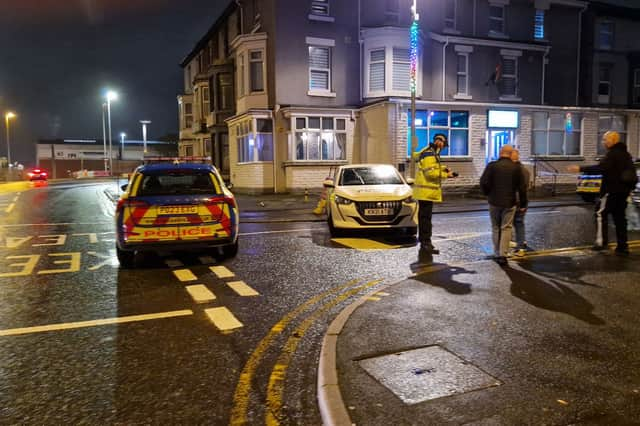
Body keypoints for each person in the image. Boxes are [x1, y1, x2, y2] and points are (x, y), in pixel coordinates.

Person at [567, 131, 638, 255]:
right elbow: (631, 174)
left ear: (613, 140)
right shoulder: (626, 154)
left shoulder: (613, 154)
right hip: (623, 192)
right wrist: (628, 189)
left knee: (600, 213)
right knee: (620, 218)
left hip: (611, 191)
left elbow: (601, 168)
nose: (603, 142)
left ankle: (601, 242)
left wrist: (580, 168)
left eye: (605, 139)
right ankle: (623, 246)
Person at [480, 145, 528, 265]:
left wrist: (488, 194)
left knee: (495, 227)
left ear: (500, 153)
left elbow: (483, 182)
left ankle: (496, 253)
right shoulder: (516, 168)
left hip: (494, 201)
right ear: (510, 153)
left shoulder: (492, 166)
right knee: (506, 228)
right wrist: (523, 203)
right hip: (510, 202)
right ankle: (503, 255)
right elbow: (522, 187)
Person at [412, 133, 457, 255]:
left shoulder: (429, 152)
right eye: (443, 145)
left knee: (424, 218)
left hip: (425, 193)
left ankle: (425, 242)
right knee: (425, 219)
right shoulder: (430, 154)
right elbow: (430, 174)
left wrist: (443, 168)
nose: (443, 147)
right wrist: (446, 175)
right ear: (440, 143)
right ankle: (426, 243)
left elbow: (431, 168)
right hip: (426, 192)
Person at [510, 148, 530, 257]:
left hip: (515, 201)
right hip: (522, 200)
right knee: (518, 223)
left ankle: (520, 246)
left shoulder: (515, 170)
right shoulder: (524, 169)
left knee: (516, 223)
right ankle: (521, 241)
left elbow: (520, 188)